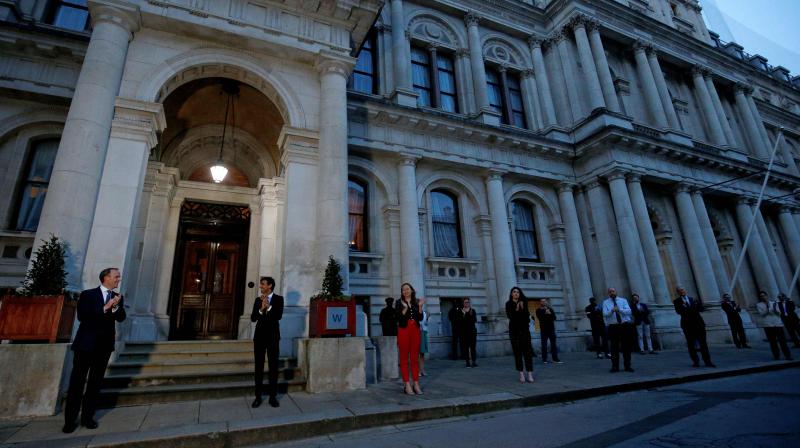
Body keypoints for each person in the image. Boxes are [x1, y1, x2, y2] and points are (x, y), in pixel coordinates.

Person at [63, 268, 126, 433]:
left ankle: (87, 417)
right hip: (85, 346)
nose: (118, 279)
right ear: (106, 277)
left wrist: (115, 307)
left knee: (95, 383)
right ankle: (70, 420)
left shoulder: (117, 297)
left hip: (104, 347)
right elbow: (83, 316)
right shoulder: (88, 294)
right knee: (77, 383)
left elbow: (121, 318)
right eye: (116, 276)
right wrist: (106, 307)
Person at [251, 276, 284, 408]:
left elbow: (278, 316)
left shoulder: (279, 299)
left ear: (270, 286)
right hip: (259, 338)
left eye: (263, 284)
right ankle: (258, 397)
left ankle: (272, 397)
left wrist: (269, 307)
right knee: (258, 368)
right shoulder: (257, 300)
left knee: (273, 367)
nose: (260, 286)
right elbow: (253, 318)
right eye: (260, 284)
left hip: (273, 337)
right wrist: (260, 309)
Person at [673, 287, 715, 368]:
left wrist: (697, 305)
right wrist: (692, 308)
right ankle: (696, 361)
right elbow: (679, 311)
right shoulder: (677, 301)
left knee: (703, 344)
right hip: (687, 325)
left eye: (683, 290)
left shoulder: (692, 299)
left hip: (699, 324)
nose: (682, 291)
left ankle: (708, 361)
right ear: (678, 292)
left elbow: (701, 309)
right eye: (680, 290)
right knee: (691, 344)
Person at [396, 282, 423, 394]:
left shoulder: (416, 302)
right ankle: (407, 384)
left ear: (411, 290)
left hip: (415, 331)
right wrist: (405, 309)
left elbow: (420, 318)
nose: (405, 291)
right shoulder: (398, 303)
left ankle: (416, 383)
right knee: (403, 358)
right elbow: (399, 319)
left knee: (414, 358)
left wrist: (420, 307)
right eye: (403, 290)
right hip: (403, 331)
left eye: (407, 289)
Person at [506, 287, 535, 383]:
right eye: (514, 292)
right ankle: (521, 374)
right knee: (517, 353)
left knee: (528, 353)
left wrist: (522, 308)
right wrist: (517, 308)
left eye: (518, 292)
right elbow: (511, 317)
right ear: (511, 294)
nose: (516, 293)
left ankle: (530, 374)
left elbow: (526, 318)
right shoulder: (508, 304)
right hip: (514, 332)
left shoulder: (524, 303)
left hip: (525, 332)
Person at [602, 287, 634, 373]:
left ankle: (628, 365)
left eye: (613, 291)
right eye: (610, 292)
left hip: (624, 325)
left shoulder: (623, 300)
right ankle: (615, 366)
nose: (612, 293)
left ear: (616, 292)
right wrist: (612, 311)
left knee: (626, 346)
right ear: (608, 294)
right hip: (613, 326)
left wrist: (620, 310)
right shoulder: (605, 302)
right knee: (614, 347)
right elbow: (605, 314)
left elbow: (629, 311)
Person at [756, 292, 793, 360]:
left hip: (777, 324)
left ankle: (787, 355)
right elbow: (762, 314)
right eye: (761, 296)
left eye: (764, 296)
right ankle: (776, 355)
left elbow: (779, 313)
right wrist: (768, 309)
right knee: (773, 342)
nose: (763, 297)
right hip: (768, 325)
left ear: (767, 296)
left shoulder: (774, 303)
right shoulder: (759, 305)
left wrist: (774, 310)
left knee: (782, 341)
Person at [535, 298, 561, 364]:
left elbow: (554, 318)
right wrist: (545, 314)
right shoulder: (538, 310)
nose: (543, 302)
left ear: (546, 302)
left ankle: (555, 359)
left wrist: (549, 313)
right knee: (544, 345)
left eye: (544, 301)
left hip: (551, 329)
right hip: (544, 330)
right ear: (540, 303)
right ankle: (544, 359)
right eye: (542, 301)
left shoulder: (550, 309)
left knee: (553, 345)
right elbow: (540, 318)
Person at [460, 298, 478, 368]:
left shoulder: (473, 311)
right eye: (465, 302)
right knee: (466, 347)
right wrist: (464, 314)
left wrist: (468, 315)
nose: (466, 303)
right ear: (463, 303)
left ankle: (474, 361)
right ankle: (467, 362)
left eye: (468, 302)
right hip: (464, 332)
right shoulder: (461, 311)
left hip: (472, 331)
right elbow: (460, 322)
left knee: (473, 347)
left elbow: (474, 320)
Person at [419, 298, 429, 376]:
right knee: (416, 353)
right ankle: (418, 370)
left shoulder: (425, 313)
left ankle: (422, 369)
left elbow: (425, 323)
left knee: (422, 353)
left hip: (423, 333)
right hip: (417, 333)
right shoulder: (414, 313)